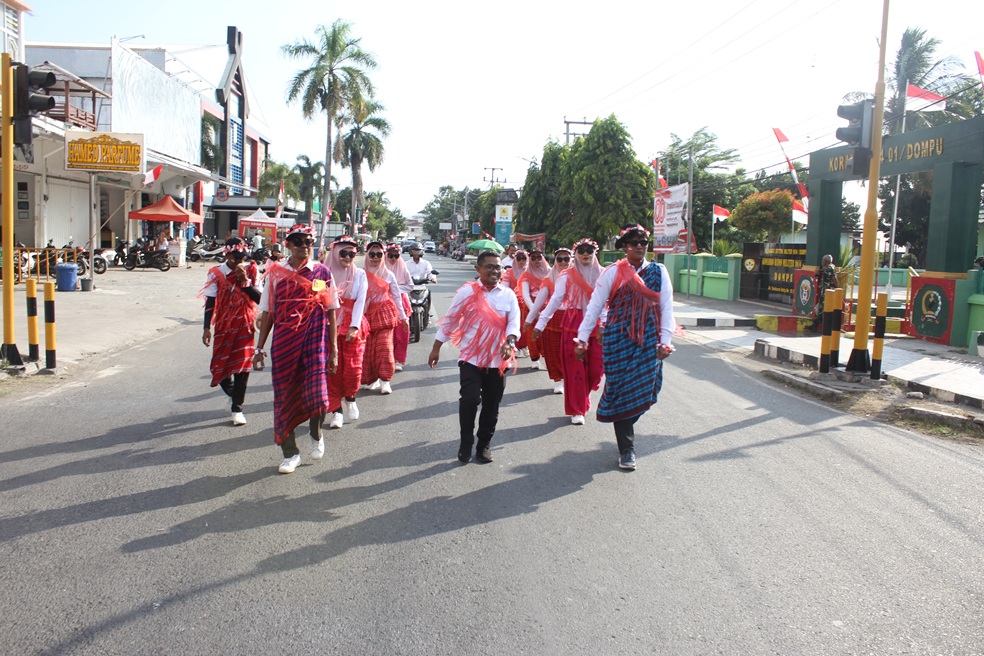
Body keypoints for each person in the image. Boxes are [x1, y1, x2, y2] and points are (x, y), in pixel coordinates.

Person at [576, 224, 675, 471]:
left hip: (649, 340)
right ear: (624, 247)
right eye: (633, 243)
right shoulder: (612, 273)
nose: (639, 246)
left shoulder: (659, 271)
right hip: (617, 340)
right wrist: (582, 339)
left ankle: (625, 424)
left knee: (649, 388)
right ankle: (627, 448)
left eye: (643, 242)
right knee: (621, 392)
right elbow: (595, 308)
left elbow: (667, 307)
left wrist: (666, 341)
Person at [253, 225, 339, 474]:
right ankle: (290, 453)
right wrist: (259, 349)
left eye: (308, 241)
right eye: (298, 241)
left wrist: (333, 348)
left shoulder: (321, 273)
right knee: (284, 397)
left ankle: (316, 433)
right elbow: (268, 312)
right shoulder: (276, 274)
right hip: (284, 343)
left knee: (318, 394)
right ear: (288, 245)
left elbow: (330, 309)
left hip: (315, 340)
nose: (304, 245)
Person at [429, 251, 520, 464]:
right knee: (469, 400)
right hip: (471, 358)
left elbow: (514, 323)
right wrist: (436, 347)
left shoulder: (508, 295)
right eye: (489, 267)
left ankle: (484, 445)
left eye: (498, 267)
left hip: (498, 360)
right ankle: (466, 442)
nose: (495, 271)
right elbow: (450, 321)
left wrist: (510, 342)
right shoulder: (466, 293)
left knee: (492, 404)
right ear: (478, 269)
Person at [535, 240, 603, 424]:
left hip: (598, 324)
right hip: (573, 323)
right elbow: (555, 300)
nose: (585, 254)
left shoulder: (605, 274)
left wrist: (605, 322)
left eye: (589, 250)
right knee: (575, 369)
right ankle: (577, 409)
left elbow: (609, 301)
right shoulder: (566, 276)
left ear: (595, 252)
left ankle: (583, 398)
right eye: (581, 250)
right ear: (576, 254)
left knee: (596, 370)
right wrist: (539, 324)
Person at [201, 237, 261, 426]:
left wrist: (245, 283)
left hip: (245, 323)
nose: (240, 262)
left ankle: (237, 409)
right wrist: (206, 327)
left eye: (242, 258)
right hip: (223, 325)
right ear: (227, 255)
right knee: (219, 366)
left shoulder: (251, 270)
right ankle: (233, 393)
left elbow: (259, 298)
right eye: (236, 258)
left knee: (242, 367)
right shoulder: (216, 273)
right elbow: (210, 301)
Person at [325, 236, 369, 429]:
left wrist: (354, 326)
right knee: (332, 369)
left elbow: (361, 300)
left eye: (352, 253)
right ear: (334, 252)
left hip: (352, 325)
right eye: (343, 253)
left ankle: (350, 397)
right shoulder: (323, 273)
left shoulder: (359, 274)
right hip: (328, 325)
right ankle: (336, 411)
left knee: (352, 368)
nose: (348, 257)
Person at [361, 240, 408, 394]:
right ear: (367, 255)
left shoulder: (389, 275)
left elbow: (396, 297)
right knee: (368, 350)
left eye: (379, 254)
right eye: (372, 254)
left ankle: (385, 380)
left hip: (385, 316)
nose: (375, 257)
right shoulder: (360, 273)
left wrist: (404, 318)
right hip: (365, 316)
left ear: (383, 255)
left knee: (384, 347)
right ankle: (373, 379)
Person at [527, 247, 572, 394]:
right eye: (560, 259)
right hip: (553, 320)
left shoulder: (580, 277)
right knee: (553, 352)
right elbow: (540, 301)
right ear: (555, 261)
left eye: (567, 259)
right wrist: (530, 319)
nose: (563, 262)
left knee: (571, 353)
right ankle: (558, 380)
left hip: (573, 320)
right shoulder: (549, 279)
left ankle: (570, 379)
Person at [517, 248, 551, 370]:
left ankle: (547, 357)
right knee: (532, 335)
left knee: (547, 335)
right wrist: (534, 309)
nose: (536, 260)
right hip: (531, 307)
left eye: (539, 257)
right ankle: (535, 358)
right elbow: (525, 294)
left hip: (547, 307)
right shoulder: (526, 274)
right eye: (533, 258)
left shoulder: (550, 272)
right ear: (530, 260)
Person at [386, 243, 413, 372]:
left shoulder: (403, 267)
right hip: (384, 302)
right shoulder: (381, 267)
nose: (392, 259)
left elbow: (410, 286)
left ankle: (398, 359)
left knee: (402, 332)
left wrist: (396, 289)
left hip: (401, 301)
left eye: (395, 256)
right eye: (390, 255)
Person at [813, 253, 838, 332]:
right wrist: (819, 271)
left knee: (825, 308)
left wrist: (838, 288)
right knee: (820, 307)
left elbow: (834, 279)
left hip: (828, 292)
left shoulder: (830, 268)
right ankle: (816, 324)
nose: (822, 262)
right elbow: (825, 270)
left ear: (826, 261)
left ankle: (824, 326)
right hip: (824, 291)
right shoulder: (828, 268)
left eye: (823, 261)